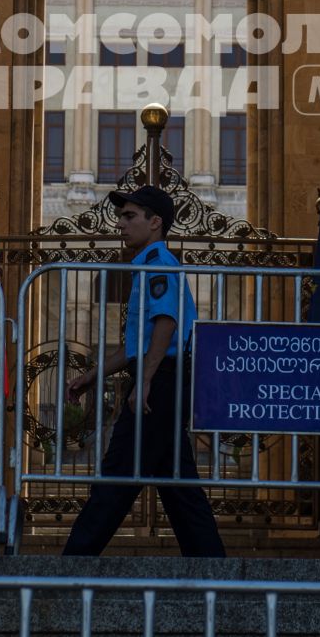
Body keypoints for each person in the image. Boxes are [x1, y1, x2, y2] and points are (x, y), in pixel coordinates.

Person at [60, 184, 226, 557]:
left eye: (129, 216)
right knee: (179, 486)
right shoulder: (148, 265)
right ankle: (212, 568)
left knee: (118, 473)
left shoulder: (157, 264)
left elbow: (166, 323)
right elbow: (137, 346)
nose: (120, 223)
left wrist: (146, 381)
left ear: (155, 223)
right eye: (122, 215)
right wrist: (92, 376)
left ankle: (73, 563)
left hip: (162, 382)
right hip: (162, 378)